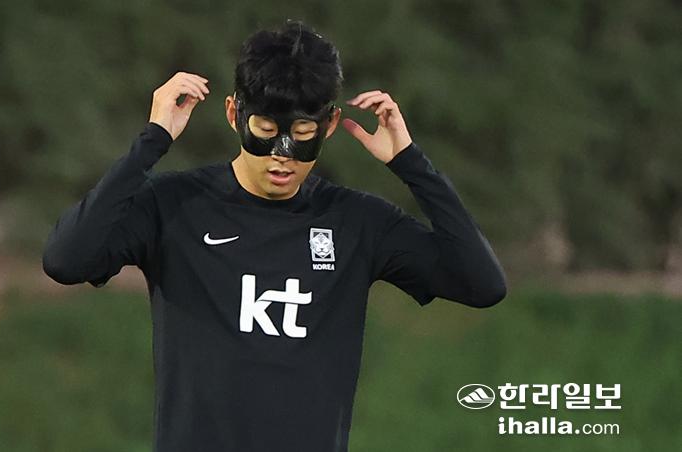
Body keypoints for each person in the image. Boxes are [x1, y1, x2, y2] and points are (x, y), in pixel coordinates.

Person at [42, 19, 507, 452]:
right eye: (264, 130)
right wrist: (152, 140)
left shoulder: (357, 222)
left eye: (302, 133)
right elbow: (66, 260)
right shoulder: (173, 205)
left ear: (328, 125)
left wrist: (410, 163)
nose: (281, 155)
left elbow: (482, 285)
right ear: (234, 114)